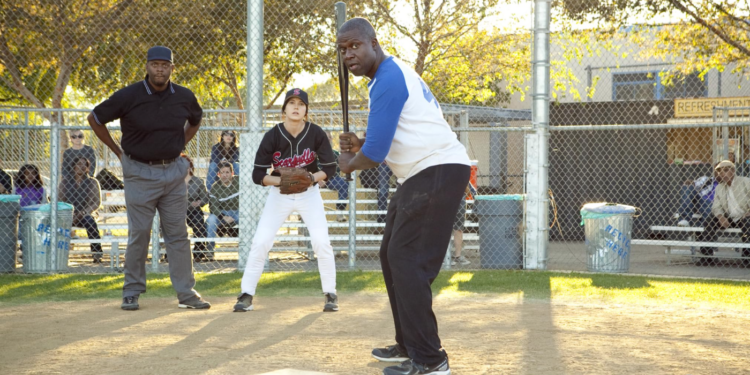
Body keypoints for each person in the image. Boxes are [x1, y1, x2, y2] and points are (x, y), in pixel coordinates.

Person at [337, 18, 471, 375]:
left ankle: (430, 359)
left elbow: (377, 153)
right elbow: (387, 140)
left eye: (355, 46)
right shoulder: (387, 76)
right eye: (343, 50)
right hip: (419, 173)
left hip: (437, 169)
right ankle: (408, 343)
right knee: (390, 255)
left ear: (373, 43)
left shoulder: (389, 79)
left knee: (407, 259)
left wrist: (351, 163)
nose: (349, 55)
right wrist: (360, 147)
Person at [87, 45, 210, 311]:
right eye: (155, 64)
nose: (160, 69)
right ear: (147, 66)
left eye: (165, 65)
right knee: (140, 233)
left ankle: (186, 293)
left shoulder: (184, 96)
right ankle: (131, 291)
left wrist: (179, 145)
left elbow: (196, 120)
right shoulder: (129, 95)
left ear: (171, 68)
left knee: (177, 234)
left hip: (174, 173)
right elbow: (95, 118)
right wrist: (118, 153)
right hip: (139, 172)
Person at [233, 88, 338, 313]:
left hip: (309, 195)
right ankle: (246, 294)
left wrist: (310, 178)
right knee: (261, 242)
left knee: (321, 242)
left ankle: (330, 294)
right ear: (284, 110)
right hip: (279, 196)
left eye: (301, 104)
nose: (296, 107)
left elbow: (330, 168)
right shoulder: (272, 135)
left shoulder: (316, 133)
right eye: (292, 103)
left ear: (306, 110)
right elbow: (257, 175)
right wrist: (283, 182)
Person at [697, 160, 750, 267]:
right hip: (730, 217)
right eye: (719, 171)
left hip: (745, 215)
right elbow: (716, 207)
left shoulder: (745, 182)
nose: (722, 173)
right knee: (710, 220)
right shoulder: (719, 188)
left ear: (733, 171)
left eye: (725, 170)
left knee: (748, 223)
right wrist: (720, 217)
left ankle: (747, 258)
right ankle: (706, 256)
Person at [59, 157, 103, 263]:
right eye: (78, 164)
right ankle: (57, 253)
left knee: (89, 221)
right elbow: (59, 200)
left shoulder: (92, 182)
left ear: (88, 169)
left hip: (86, 214)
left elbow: (96, 203)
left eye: (84, 165)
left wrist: (83, 213)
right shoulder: (65, 182)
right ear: (74, 167)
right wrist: (69, 213)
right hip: (68, 214)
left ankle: (97, 253)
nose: (81, 167)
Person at [206, 161, 239, 261]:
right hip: (222, 213)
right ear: (218, 174)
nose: (224, 175)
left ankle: (248, 249)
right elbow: (213, 206)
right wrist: (223, 216)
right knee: (211, 220)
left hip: (238, 212)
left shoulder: (240, 181)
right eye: (222, 172)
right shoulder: (215, 187)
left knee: (247, 217)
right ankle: (210, 250)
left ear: (232, 173)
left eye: (227, 172)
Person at [358, 131, 393, 224]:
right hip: (385, 162)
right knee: (383, 189)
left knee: (401, 186)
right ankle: (381, 217)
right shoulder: (380, 123)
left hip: (398, 159)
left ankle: (399, 215)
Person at [183, 154, 209, 262]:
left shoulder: (198, 181)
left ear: (190, 166)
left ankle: (198, 252)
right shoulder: (174, 181)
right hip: (178, 209)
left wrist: (199, 202)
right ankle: (168, 255)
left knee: (200, 226)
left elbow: (205, 197)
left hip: (193, 210)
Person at [319, 131, 349, 222]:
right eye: (325, 137)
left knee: (344, 184)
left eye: (329, 137)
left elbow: (337, 171)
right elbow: (311, 168)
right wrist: (318, 179)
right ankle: (303, 216)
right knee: (305, 185)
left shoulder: (335, 154)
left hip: (331, 179)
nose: (328, 139)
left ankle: (340, 212)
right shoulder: (315, 152)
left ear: (331, 139)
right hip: (316, 179)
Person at [450, 187, 471, 266]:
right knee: (443, 228)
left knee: (458, 228)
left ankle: (457, 256)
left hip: (459, 197)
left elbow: (467, 189)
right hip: (445, 196)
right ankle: (444, 257)